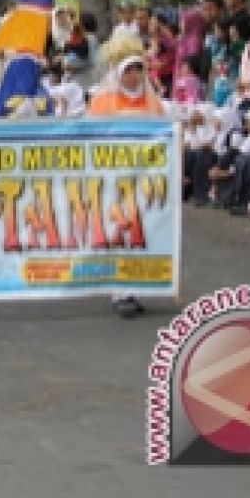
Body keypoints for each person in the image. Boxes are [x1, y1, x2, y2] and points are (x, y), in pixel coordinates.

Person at [87, 33, 164, 318]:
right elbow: (91, 138)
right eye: (128, 70)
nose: (133, 76)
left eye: (138, 70)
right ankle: (120, 290)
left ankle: (133, 285)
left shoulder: (152, 102)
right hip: (113, 180)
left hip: (145, 179)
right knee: (119, 232)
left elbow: (163, 136)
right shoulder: (103, 101)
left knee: (141, 233)